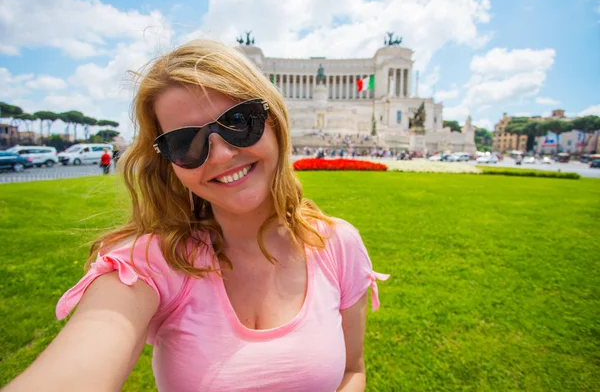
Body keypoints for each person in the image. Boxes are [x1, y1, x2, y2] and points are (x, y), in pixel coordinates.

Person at [4, 40, 389, 392]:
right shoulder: (151, 264)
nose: (221, 155)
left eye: (239, 121)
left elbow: (351, 372)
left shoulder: (338, 245)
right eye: (185, 142)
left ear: (274, 118)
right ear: (168, 161)